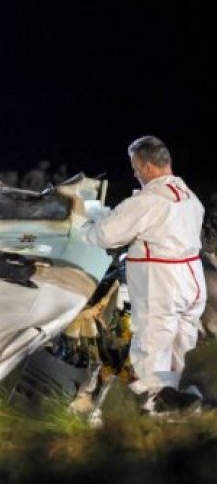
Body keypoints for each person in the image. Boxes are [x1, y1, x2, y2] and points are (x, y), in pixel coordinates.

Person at [81, 136, 205, 413]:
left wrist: (86, 228)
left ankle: (157, 412)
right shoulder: (188, 195)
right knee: (181, 345)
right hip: (192, 279)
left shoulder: (148, 200)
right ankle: (185, 403)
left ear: (148, 166)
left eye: (136, 167)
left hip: (163, 281)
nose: (134, 173)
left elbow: (105, 235)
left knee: (152, 349)